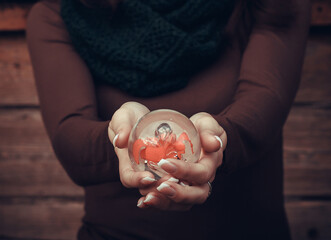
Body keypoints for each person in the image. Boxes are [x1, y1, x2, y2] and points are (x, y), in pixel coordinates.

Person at [26, 0, 310, 239]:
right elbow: (71, 138)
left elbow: (265, 102)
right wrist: (125, 140)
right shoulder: (65, 13)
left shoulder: (261, 7)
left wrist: (217, 141)